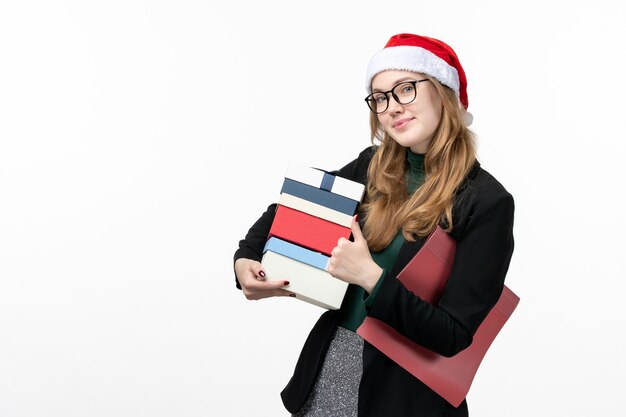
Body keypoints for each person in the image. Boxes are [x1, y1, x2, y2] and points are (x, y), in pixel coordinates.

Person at [233, 33, 515, 417]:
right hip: (332, 371)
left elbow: (453, 335)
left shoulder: (486, 202)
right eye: (380, 97)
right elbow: (291, 208)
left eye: (405, 90)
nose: (392, 107)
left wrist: (371, 277)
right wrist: (246, 259)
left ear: (444, 92)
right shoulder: (373, 165)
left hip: (407, 396)